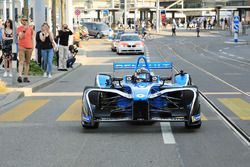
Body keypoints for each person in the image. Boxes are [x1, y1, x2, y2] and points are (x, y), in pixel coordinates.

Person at [17, 16, 34, 83]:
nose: (25, 21)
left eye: (26, 20)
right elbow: (21, 36)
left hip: (29, 47)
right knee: (21, 61)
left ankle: (26, 77)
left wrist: (33, 46)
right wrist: (24, 30)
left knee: (27, 63)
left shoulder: (30, 28)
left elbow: (32, 38)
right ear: (21, 21)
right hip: (22, 47)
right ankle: (20, 76)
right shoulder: (19, 28)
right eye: (23, 20)